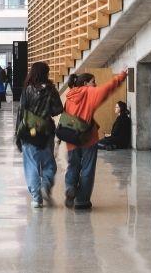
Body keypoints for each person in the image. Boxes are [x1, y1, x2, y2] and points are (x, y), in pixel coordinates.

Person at [62, 70, 127, 210]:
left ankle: (70, 187)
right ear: (86, 83)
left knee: (73, 165)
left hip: (71, 137)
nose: (96, 84)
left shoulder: (70, 95)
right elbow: (107, 89)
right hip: (88, 138)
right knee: (87, 168)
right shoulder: (89, 92)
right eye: (93, 81)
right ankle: (82, 201)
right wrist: (121, 76)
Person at [15, 61, 64, 207]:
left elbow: (21, 112)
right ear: (46, 73)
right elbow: (58, 109)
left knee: (31, 165)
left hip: (28, 131)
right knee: (49, 163)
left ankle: (36, 198)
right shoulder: (51, 90)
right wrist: (46, 111)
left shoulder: (27, 90)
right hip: (46, 131)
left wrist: (17, 134)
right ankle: (46, 186)